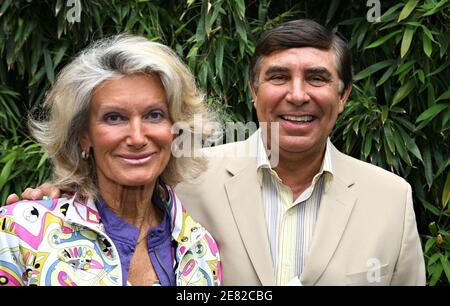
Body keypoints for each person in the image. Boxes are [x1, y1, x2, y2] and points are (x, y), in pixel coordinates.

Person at [7, 19, 425, 286]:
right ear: (254, 92)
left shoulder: (392, 199)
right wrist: (43, 207)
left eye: (317, 78)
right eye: (278, 77)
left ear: (344, 95)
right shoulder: (190, 179)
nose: (297, 95)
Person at [0, 34, 221, 286]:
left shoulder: (202, 249)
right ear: (84, 136)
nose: (137, 138)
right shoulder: (20, 233)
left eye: (155, 115)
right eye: (114, 118)